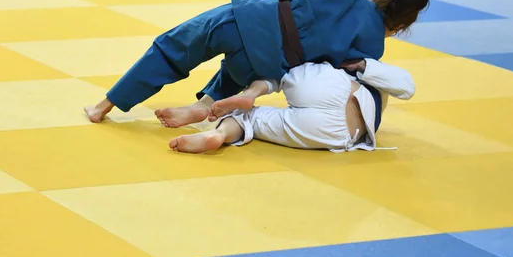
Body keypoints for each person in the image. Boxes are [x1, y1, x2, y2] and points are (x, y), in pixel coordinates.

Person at [84, 0, 429, 125]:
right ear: (400, 26)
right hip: (264, 67)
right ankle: (206, 105)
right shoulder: (372, 48)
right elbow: (329, 82)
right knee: (261, 61)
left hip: (250, 20)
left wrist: (270, 2)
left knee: (173, 48)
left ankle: (105, 106)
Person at [169, 58, 415, 154]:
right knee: (253, 119)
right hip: (339, 134)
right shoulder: (377, 70)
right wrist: (364, 64)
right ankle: (217, 135)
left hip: (327, 85)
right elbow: (407, 87)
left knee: (282, 70)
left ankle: (250, 95)